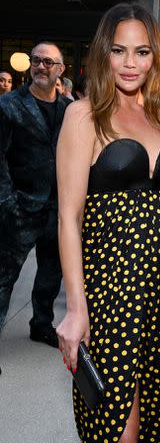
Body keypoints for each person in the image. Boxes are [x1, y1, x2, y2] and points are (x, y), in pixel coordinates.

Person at [56, 2, 160, 443]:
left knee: (151, 424)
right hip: (111, 293)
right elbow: (69, 220)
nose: (131, 63)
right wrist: (76, 309)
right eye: (119, 50)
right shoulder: (83, 115)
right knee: (117, 429)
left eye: (142, 52)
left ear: (156, 57)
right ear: (102, 54)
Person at [0, 42, 71, 355]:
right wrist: (8, 203)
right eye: (36, 61)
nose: (41, 67)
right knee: (4, 276)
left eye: (48, 62)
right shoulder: (9, 105)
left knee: (51, 273)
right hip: (20, 208)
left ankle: (41, 324)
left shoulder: (69, 109)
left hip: (57, 210)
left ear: (60, 69)